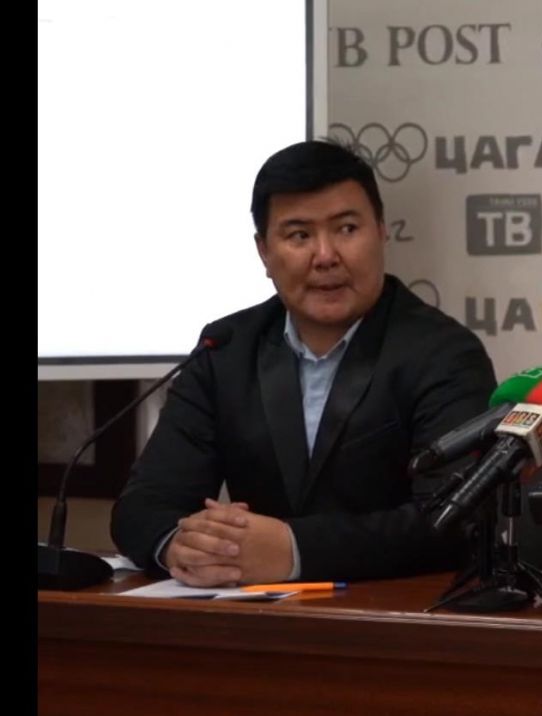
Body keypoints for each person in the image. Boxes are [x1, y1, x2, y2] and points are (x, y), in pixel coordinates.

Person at [111, 140, 497, 586]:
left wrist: (294, 550)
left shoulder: (444, 354)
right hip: (252, 617)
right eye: (299, 235)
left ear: (381, 232)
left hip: (392, 612)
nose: (326, 256)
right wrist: (182, 545)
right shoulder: (226, 348)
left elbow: (454, 519)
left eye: (347, 229)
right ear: (264, 251)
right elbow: (142, 506)